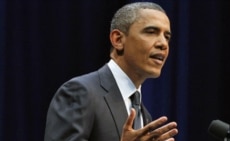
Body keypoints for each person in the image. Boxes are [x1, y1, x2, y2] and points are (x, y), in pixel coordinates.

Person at [44, 2, 178, 141]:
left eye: (167, 37)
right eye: (151, 32)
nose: (163, 43)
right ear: (118, 39)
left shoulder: (144, 115)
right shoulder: (80, 93)